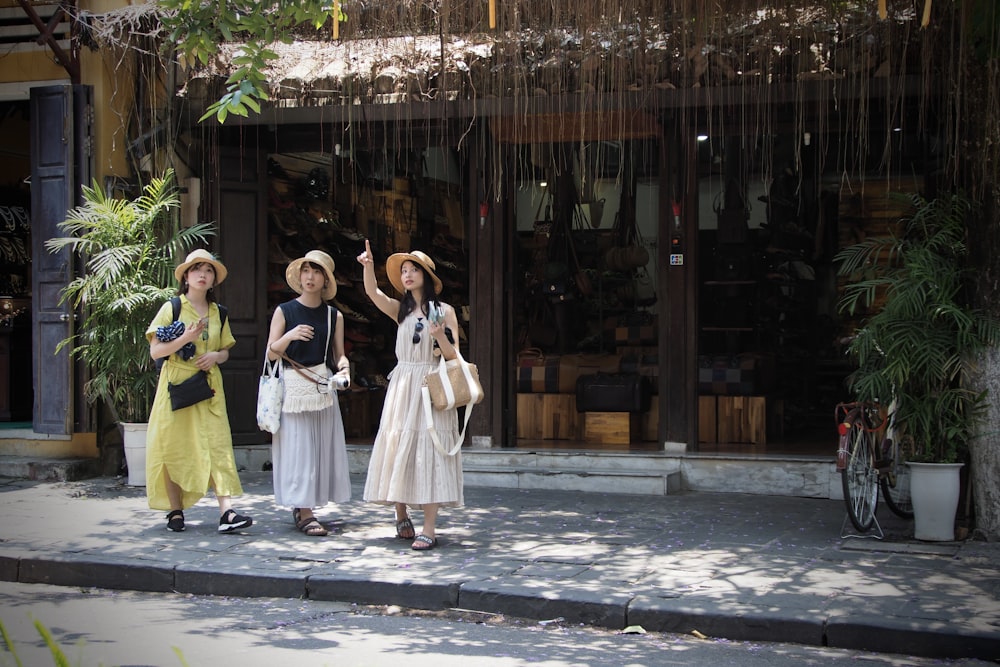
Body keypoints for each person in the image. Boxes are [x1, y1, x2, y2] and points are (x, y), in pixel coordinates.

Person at [356, 240, 463, 551]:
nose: (407, 274)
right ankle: (400, 512)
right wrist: (367, 267)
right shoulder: (399, 310)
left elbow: (454, 356)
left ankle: (429, 527)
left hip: (432, 384)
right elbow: (373, 294)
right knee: (398, 446)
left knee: (432, 451)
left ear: (426, 276)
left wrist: (439, 335)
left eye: (414, 269)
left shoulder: (445, 311)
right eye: (404, 270)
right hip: (403, 383)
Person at [146, 249, 253, 534]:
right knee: (172, 447)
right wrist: (186, 337)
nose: (202, 274)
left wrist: (217, 357)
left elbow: (224, 351)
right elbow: (156, 351)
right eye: (197, 269)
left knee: (217, 446)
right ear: (186, 277)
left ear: (214, 279)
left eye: (208, 270)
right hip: (177, 386)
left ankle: (227, 512)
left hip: (209, 387)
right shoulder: (172, 308)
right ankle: (175, 510)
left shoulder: (220, 313)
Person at [265, 250, 352, 536]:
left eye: (316, 272)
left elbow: (339, 355)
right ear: (299, 276)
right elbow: (270, 353)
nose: (310, 277)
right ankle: (304, 511)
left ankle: (306, 505)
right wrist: (289, 335)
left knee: (319, 449)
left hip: (323, 384)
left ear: (325, 279)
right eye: (306, 271)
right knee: (298, 449)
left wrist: (344, 370)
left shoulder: (333, 315)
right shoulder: (285, 311)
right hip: (293, 386)